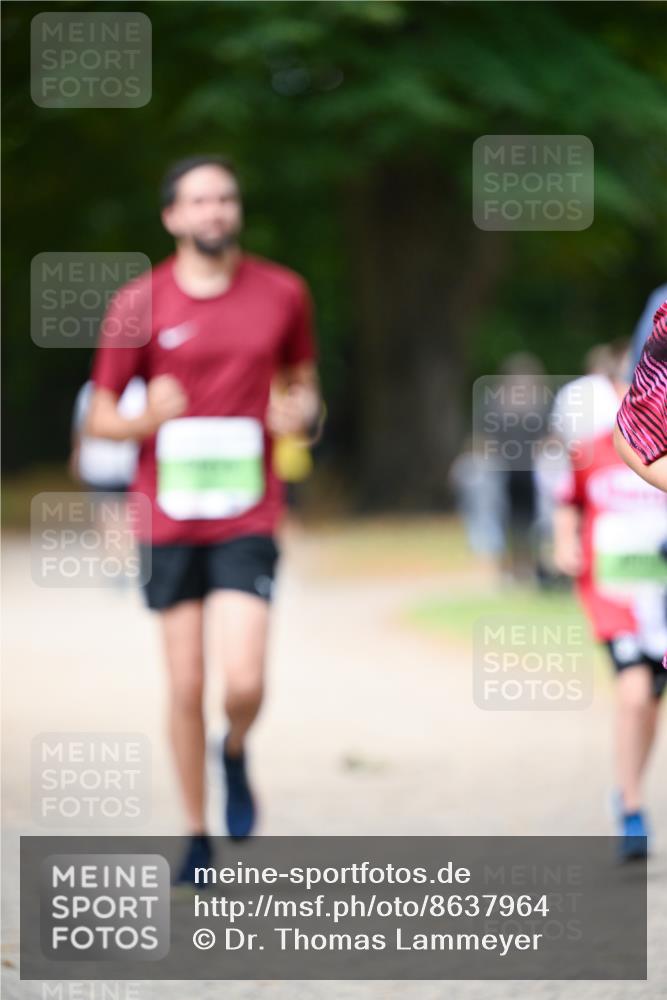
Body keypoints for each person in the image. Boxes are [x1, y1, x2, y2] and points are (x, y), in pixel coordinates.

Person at [86, 155, 321, 881]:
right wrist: (140, 420)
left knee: (242, 680)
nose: (214, 212)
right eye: (199, 201)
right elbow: (98, 417)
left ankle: (235, 749)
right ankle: (196, 833)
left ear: (236, 211)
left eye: (225, 199)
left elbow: (304, 387)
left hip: (247, 511)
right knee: (185, 685)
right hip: (167, 516)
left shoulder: (283, 292)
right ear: (172, 217)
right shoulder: (137, 302)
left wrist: (301, 415)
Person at [553, 340, 667, 860]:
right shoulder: (599, 446)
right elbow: (568, 500)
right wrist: (565, 541)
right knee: (634, 692)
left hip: (660, 597)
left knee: (651, 703)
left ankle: (629, 791)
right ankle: (632, 801)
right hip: (614, 593)